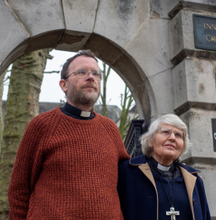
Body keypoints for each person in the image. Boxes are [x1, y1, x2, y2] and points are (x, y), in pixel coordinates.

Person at [8, 50, 130, 219]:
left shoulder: (110, 129)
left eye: (96, 73)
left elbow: (129, 181)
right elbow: (19, 189)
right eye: (82, 72)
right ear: (63, 85)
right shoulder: (42, 125)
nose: (91, 77)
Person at [118, 114, 211, 220]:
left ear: (183, 146)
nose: (172, 138)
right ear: (150, 141)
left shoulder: (194, 179)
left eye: (178, 135)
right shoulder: (128, 171)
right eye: (165, 132)